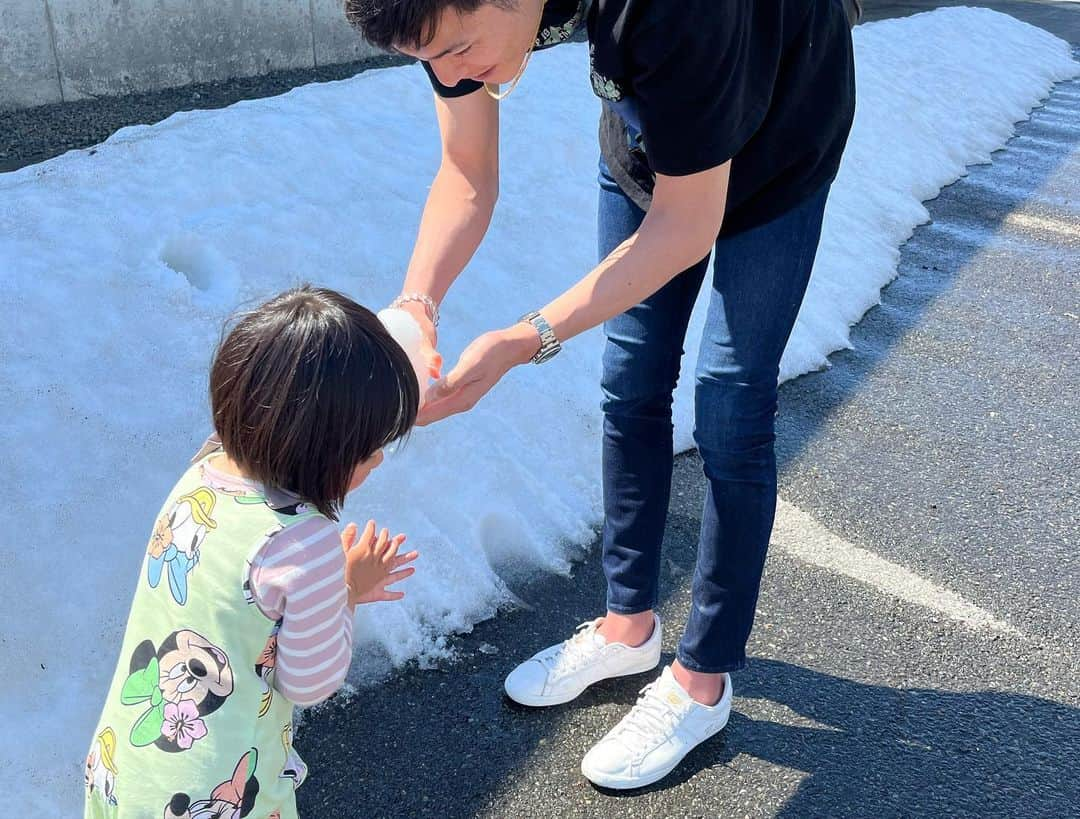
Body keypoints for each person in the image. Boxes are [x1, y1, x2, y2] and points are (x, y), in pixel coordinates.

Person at [348, 0, 855, 789]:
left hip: (781, 134)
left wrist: (526, 338)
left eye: (456, 50)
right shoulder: (448, 18)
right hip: (659, 136)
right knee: (630, 377)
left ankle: (704, 677)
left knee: (730, 402)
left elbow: (687, 228)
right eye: (430, 61)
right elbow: (466, 172)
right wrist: (415, 308)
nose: (450, 76)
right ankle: (628, 626)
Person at [83, 286, 420, 818]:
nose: (377, 459)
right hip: (215, 792)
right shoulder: (305, 542)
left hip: (124, 764)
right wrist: (348, 594)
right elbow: (309, 681)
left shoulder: (202, 471)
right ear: (320, 451)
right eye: (367, 448)